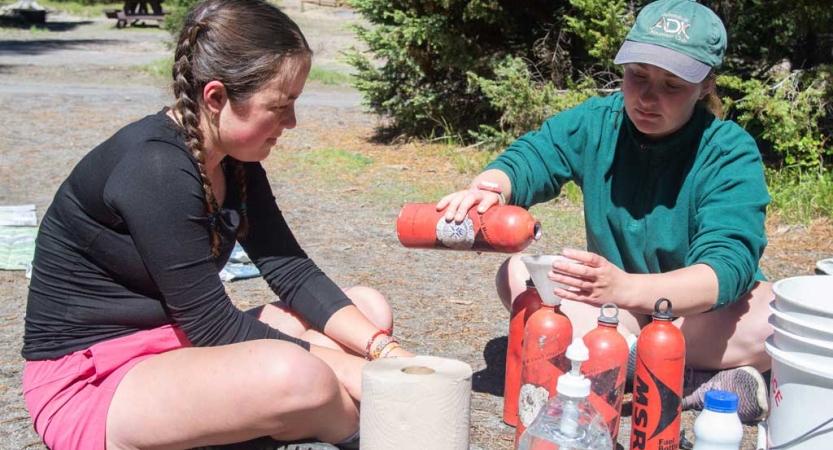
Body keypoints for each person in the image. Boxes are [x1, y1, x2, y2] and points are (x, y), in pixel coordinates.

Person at [21, 1, 410, 449]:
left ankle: (293, 420)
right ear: (216, 98)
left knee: (366, 310)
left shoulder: (235, 162)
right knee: (301, 375)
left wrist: (384, 351)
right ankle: (368, 434)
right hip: (95, 379)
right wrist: (359, 376)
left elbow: (291, 270)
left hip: (175, 347)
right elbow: (212, 325)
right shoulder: (155, 167)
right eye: (280, 105)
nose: (292, 122)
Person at [438, 0, 772, 423]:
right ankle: (688, 381)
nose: (648, 98)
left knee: (773, 318)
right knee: (518, 273)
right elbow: (535, 156)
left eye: (672, 85)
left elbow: (727, 267)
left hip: (697, 318)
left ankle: (626, 364)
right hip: (615, 310)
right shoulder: (598, 121)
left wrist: (624, 287)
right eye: (638, 76)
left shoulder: (728, 151)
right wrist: (491, 187)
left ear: (706, 86)